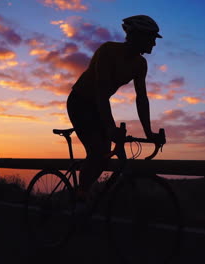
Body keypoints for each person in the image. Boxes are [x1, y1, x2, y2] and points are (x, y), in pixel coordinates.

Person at [66, 15, 163, 201]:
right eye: (151, 38)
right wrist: (110, 127)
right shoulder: (108, 50)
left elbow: (141, 99)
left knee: (104, 157)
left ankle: (84, 194)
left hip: (97, 105)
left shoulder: (140, 64)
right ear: (137, 35)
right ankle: (80, 197)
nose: (154, 43)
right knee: (97, 152)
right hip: (80, 101)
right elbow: (100, 91)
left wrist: (149, 132)